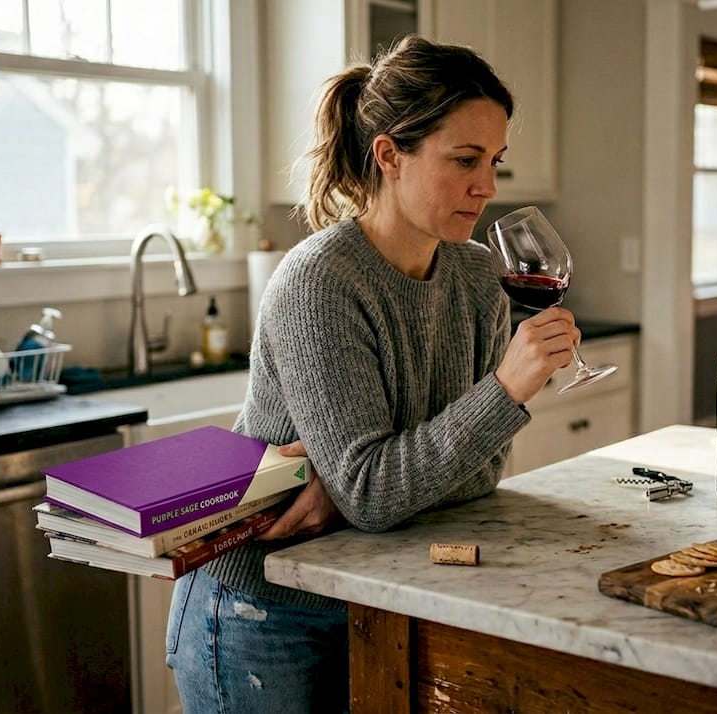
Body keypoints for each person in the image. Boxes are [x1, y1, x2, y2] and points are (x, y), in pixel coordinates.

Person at [165, 34, 581, 713]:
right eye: (466, 160)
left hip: (373, 588)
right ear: (390, 155)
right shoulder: (321, 282)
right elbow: (376, 493)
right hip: (261, 610)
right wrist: (501, 392)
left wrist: (346, 485)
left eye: (495, 161)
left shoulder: (477, 275)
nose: (489, 186)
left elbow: (480, 475)